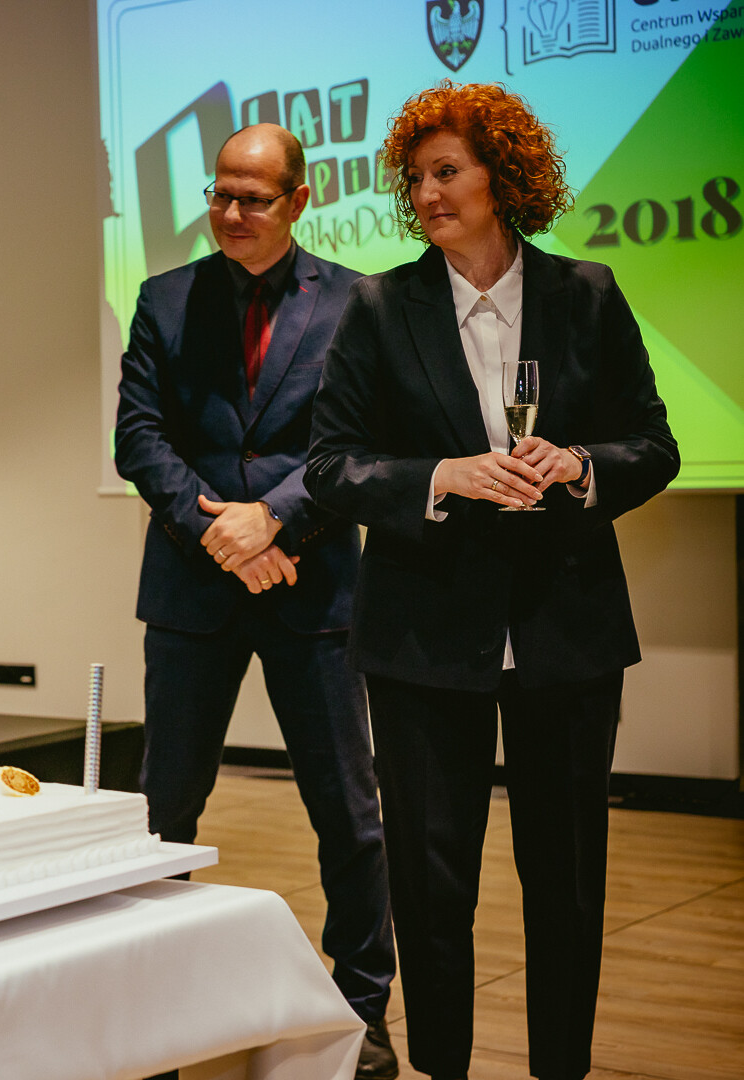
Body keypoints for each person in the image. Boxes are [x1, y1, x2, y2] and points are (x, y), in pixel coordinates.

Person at [306, 82, 679, 1080]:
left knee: (566, 880)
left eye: (447, 172)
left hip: (568, 630)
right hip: (423, 638)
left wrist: (581, 465)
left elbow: (654, 444)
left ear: (501, 177)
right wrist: (443, 476)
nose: (426, 194)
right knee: (432, 887)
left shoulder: (586, 294)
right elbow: (332, 466)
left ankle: (562, 1067)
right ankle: (445, 1070)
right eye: (414, 178)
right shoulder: (377, 307)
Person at [115, 123, 398, 1080]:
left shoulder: (356, 302)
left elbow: (358, 445)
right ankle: (151, 1010)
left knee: (348, 817)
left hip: (313, 588)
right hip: (191, 587)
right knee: (165, 811)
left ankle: (361, 1015)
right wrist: (221, 535)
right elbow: (139, 437)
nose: (231, 213)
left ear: (299, 200)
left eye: (254, 199)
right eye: (220, 194)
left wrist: (272, 523)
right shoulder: (165, 298)